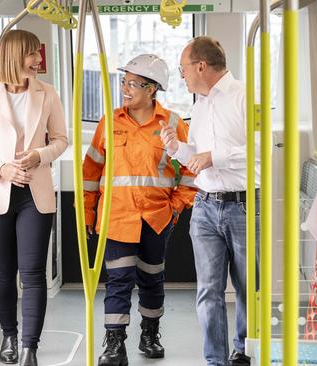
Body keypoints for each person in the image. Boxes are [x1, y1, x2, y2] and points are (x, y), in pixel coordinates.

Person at [0, 29, 68, 366]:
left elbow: (62, 140)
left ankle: (29, 348)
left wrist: (39, 154)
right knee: (4, 271)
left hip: (35, 195)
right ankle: (9, 335)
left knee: (33, 271)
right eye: (32, 54)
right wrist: (1, 168)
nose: (38, 60)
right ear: (13, 56)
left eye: (37, 54)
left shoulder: (47, 93)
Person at [83, 54, 197, 366]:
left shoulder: (173, 124)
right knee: (118, 279)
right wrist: (89, 214)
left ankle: (150, 334)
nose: (125, 89)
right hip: (116, 216)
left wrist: (176, 207)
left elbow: (189, 172)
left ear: (152, 89)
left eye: (132, 83)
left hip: (156, 217)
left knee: (151, 278)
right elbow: (91, 171)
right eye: (123, 82)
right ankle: (115, 343)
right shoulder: (109, 121)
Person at [159, 36, 260, 366]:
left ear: (201, 66)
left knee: (248, 289)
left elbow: (259, 150)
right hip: (204, 207)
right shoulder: (199, 104)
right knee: (208, 291)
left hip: (243, 205)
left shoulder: (246, 96)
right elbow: (197, 159)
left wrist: (213, 157)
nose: (182, 75)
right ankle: (215, 360)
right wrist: (177, 148)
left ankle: (243, 352)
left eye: (183, 68)